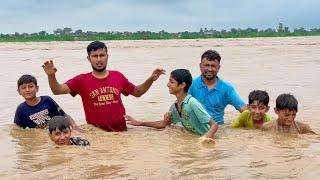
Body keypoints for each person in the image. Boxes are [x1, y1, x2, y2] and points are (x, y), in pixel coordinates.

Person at [42, 41, 165, 132]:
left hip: (121, 131)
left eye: (102, 55)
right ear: (88, 59)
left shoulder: (117, 76)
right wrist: (51, 76)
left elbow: (137, 92)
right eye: (95, 56)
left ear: (107, 57)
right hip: (97, 133)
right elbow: (57, 90)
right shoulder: (81, 80)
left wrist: (151, 79)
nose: (99, 59)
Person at [126, 69, 218, 142]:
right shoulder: (175, 106)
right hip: (196, 139)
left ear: (182, 85)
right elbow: (164, 124)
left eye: (171, 82)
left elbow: (214, 125)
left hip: (208, 141)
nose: (167, 85)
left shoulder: (192, 103)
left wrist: (204, 139)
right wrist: (140, 123)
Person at [188, 50, 246, 125]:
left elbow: (244, 110)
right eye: (206, 65)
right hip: (195, 128)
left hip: (218, 130)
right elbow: (178, 106)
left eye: (213, 66)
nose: (209, 69)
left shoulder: (227, 88)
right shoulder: (190, 84)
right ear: (200, 66)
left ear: (218, 67)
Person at [14, 74, 82, 131]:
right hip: (41, 141)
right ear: (19, 91)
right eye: (23, 88)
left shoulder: (47, 100)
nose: (27, 90)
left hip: (57, 133)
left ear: (37, 88)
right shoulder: (21, 109)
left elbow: (64, 115)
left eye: (30, 86)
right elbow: (17, 130)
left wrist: (74, 126)